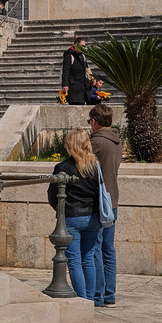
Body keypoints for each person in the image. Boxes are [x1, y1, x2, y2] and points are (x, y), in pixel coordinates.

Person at [47, 128, 101, 300]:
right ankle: (90, 299)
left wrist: (60, 211)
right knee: (88, 258)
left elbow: (52, 195)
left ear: (70, 145)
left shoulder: (62, 167)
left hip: (72, 216)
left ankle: (82, 299)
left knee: (75, 261)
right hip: (93, 217)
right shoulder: (95, 166)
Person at [89, 103, 121, 308]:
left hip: (98, 202)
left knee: (95, 248)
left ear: (94, 121)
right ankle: (110, 295)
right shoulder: (116, 140)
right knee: (108, 248)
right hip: (112, 200)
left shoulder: (96, 142)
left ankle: (97, 295)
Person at [61, 36, 89, 105]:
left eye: (84, 46)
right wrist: (65, 84)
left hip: (82, 88)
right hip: (73, 87)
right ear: (76, 45)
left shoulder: (83, 56)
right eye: (82, 46)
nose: (83, 48)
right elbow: (66, 70)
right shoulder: (69, 55)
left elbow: (86, 69)